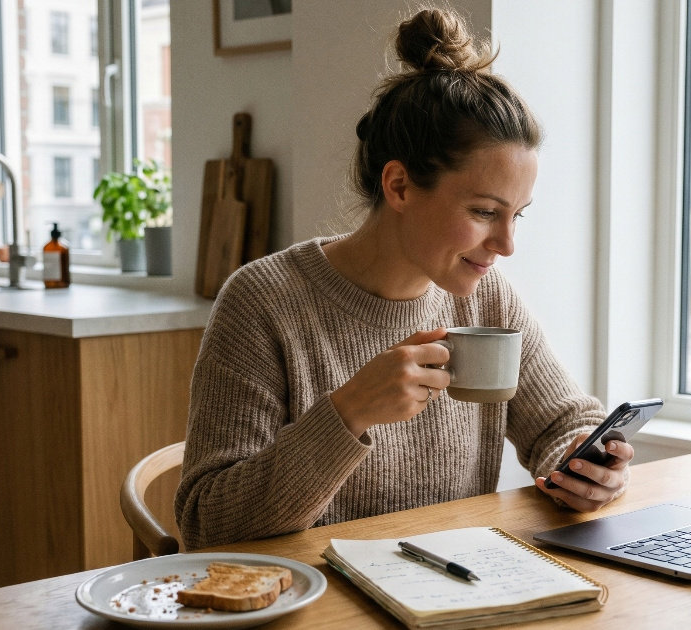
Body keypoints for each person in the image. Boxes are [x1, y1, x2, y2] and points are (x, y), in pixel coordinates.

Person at [175, 8, 634, 551]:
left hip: (454, 594)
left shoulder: (486, 298)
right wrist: (349, 413)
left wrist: (585, 463)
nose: (507, 244)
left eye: (518, 214)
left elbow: (563, 420)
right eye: (486, 212)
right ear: (399, 185)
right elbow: (207, 522)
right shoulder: (263, 304)